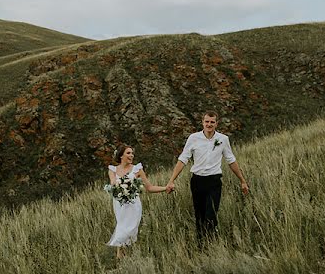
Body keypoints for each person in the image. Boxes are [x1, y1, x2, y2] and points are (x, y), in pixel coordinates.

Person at [166, 111, 249, 244]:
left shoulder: (223, 139)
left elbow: (231, 160)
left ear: (216, 123)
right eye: (207, 122)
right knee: (200, 215)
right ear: (202, 122)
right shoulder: (193, 138)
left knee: (211, 214)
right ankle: (201, 245)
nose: (209, 124)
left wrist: (242, 181)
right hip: (197, 181)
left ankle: (211, 243)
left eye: (212, 122)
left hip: (214, 181)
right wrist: (171, 180)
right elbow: (183, 159)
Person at [106, 144, 170, 259]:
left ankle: (123, 256)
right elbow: (112, 184)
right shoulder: (113, 170)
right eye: (128, 153)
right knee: (122, 228)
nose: (131, 155)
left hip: (133, 204)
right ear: (121, 156)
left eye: (132, 153)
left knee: (130, 230)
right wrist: (119, 187)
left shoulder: (137, 169)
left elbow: (149, 188)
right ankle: (122, 257)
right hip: (119, 203)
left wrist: (165, 188)